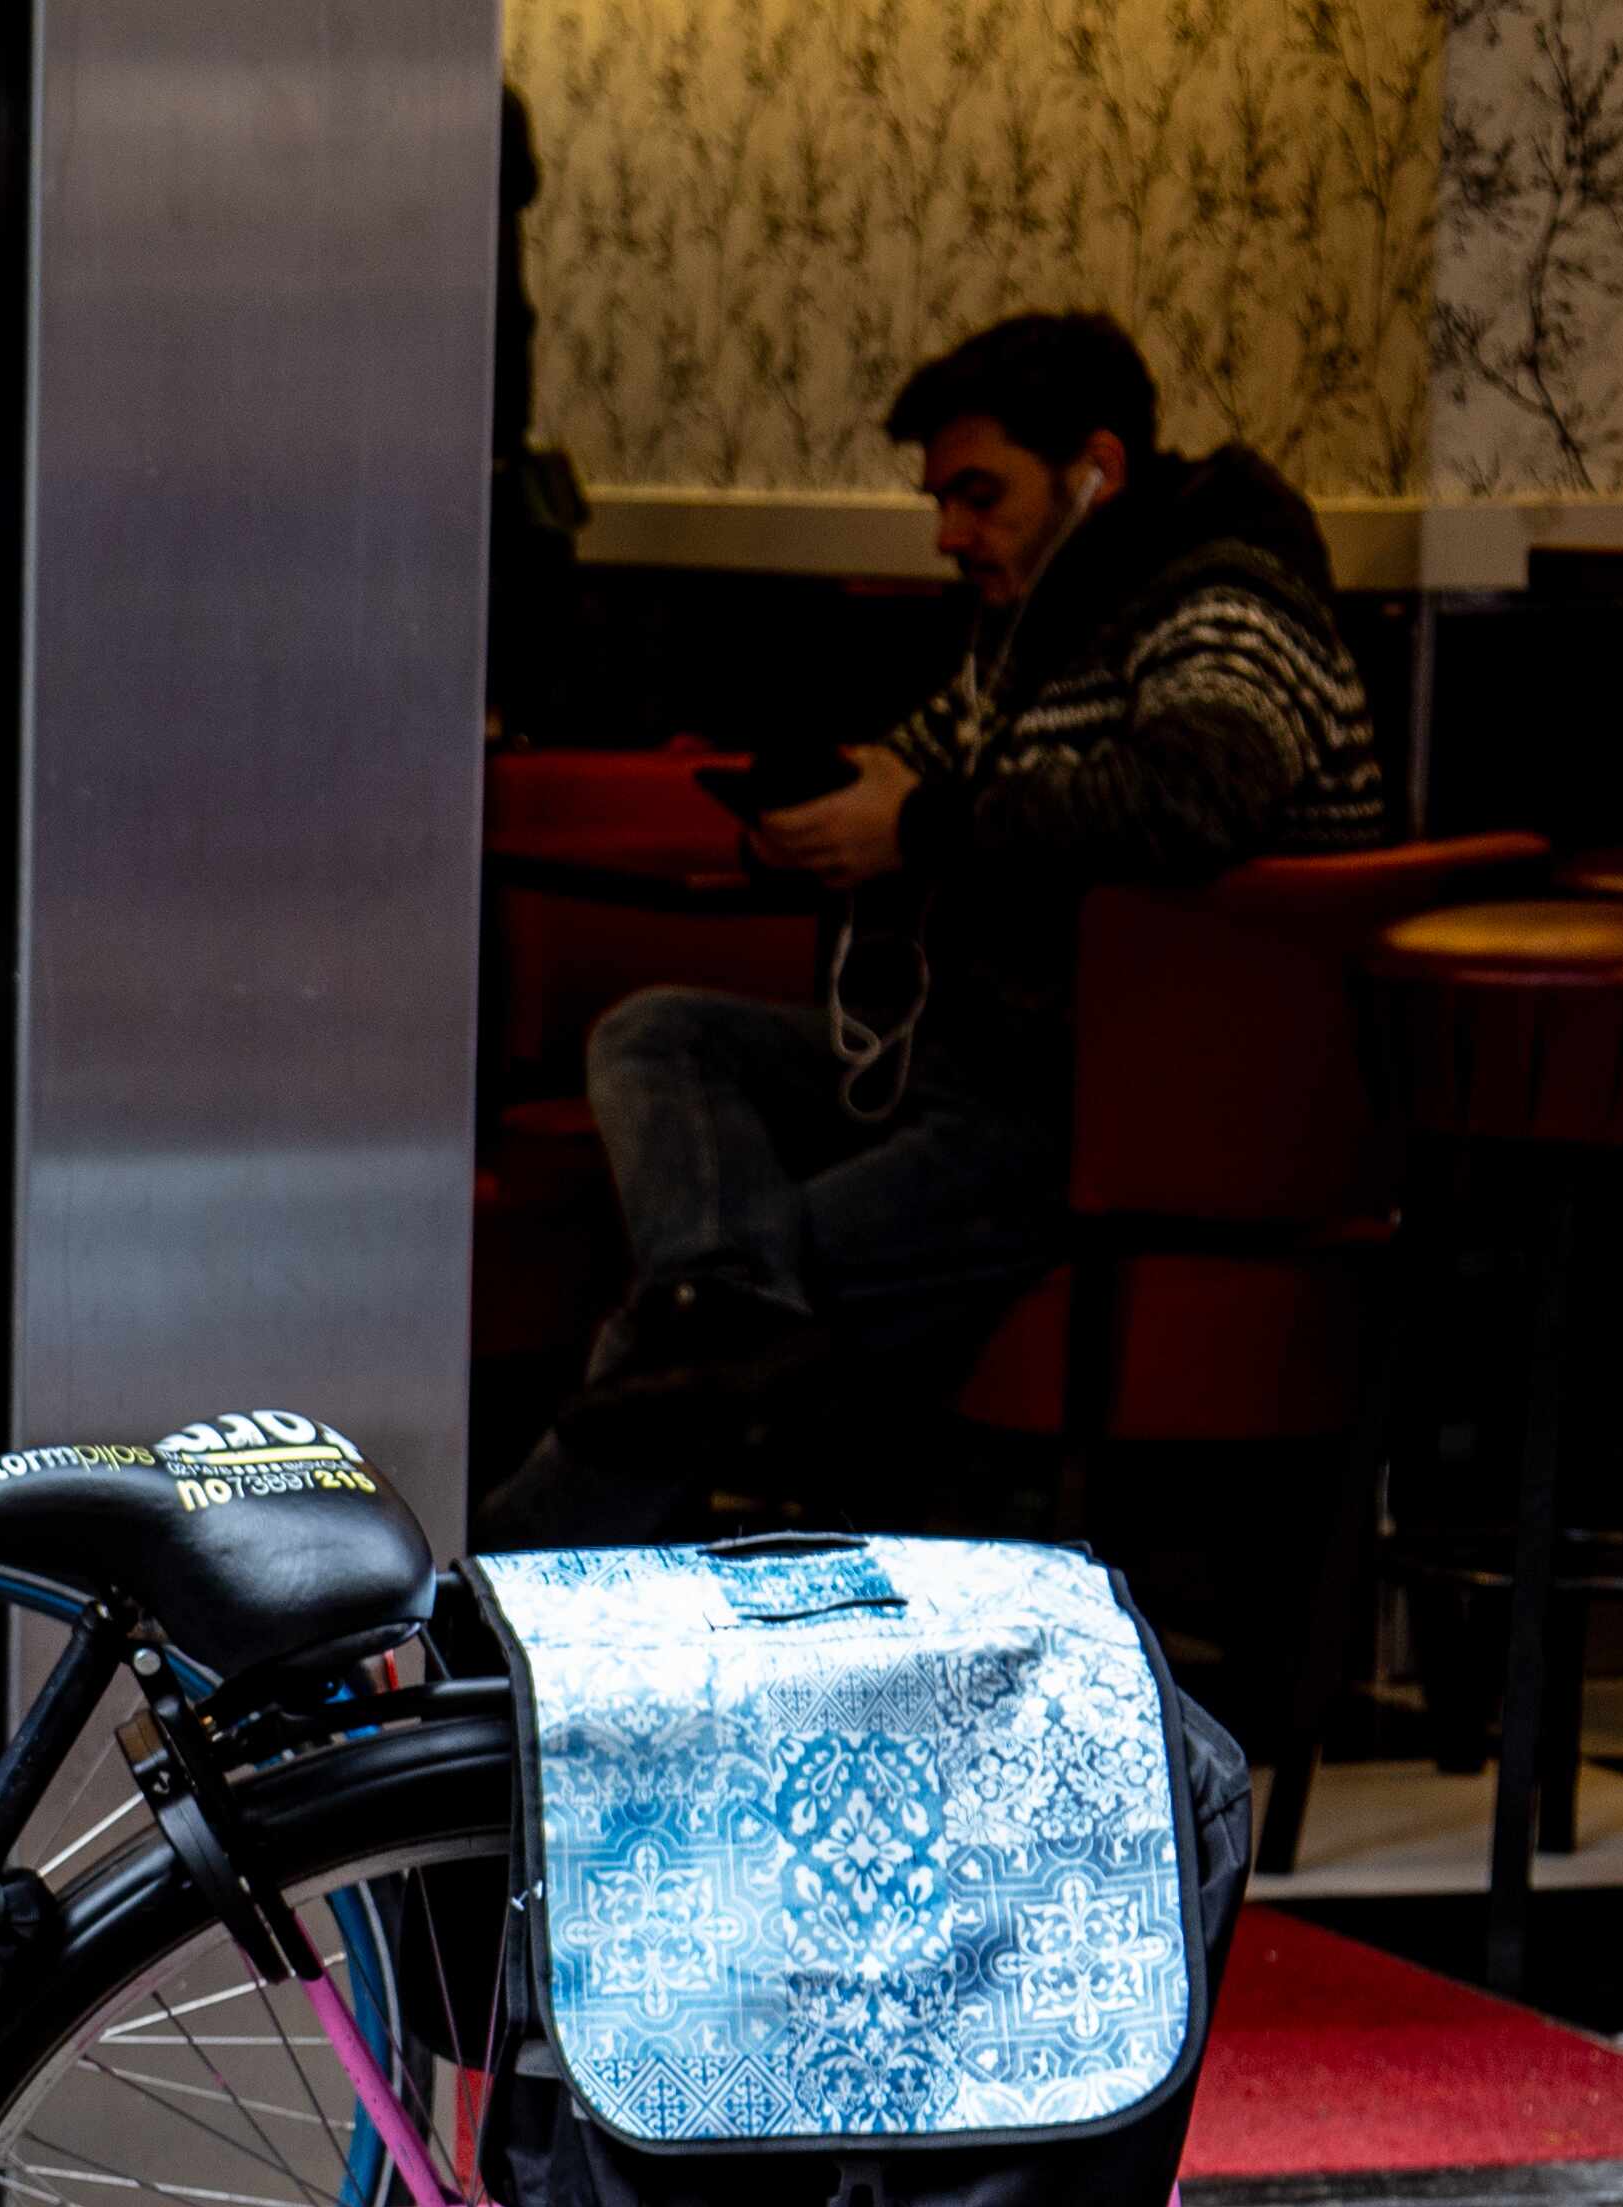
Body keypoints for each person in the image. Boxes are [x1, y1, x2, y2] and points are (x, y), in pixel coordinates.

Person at [473, 309, 1389, 1547]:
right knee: (661, 1036)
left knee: (687, 1340)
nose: (949, 533)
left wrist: (913, 830)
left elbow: (1190, 792)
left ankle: (481, 1625)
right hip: (987, 1073)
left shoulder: (1219, 605)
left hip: (1118, 1125)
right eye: (938, 501)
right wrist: (811, 815)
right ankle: (723, 1295)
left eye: (978, 495)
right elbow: (912, 766)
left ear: (1095, 471)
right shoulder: (1039, 625)